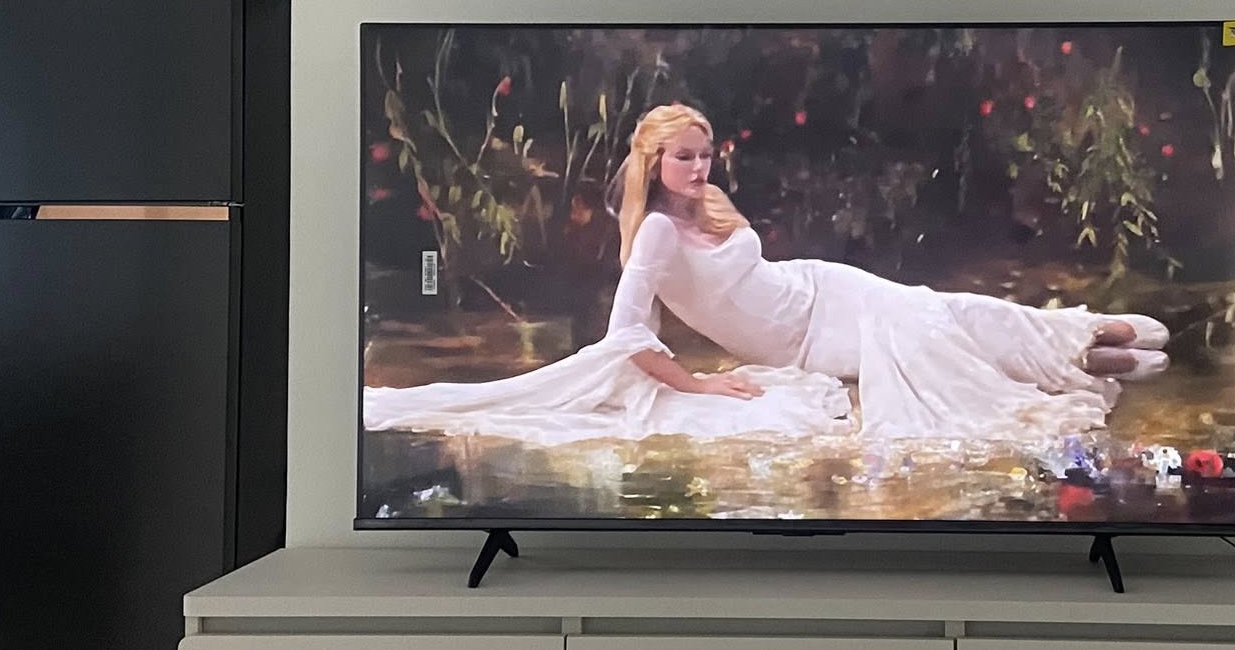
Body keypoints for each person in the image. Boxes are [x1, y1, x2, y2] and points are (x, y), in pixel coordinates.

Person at [364, 103, 1169, 445]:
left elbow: (758, 272)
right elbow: (625, 335)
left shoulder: (709, 205)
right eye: (684, 156)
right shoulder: (653, 235)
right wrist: (700, 384)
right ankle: (1083, 362)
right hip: (807, 341)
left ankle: (1080, 341)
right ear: (653, 160)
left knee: (943, 309)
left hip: (824, 287)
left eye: (705, 155)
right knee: (920, 340)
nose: (699, 168)